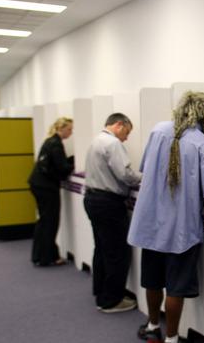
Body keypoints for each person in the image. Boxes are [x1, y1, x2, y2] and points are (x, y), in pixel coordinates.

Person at [128, 91, 204, 343]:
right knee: (176, 287)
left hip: (151, 224)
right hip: (182, 229)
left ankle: (153, 326)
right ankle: (172, 338)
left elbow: (145, 167)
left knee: (153, 280)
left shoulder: (158, 130)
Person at [83, 113, 142, 313]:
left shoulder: (96, 141)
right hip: (108, 203)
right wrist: (148, 176)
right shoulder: (113, 143)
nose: (126, 137)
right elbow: (126, 175)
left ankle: (101, 293)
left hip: (93, 199)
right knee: (116, 252)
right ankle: (111, 300)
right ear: (119, 125)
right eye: (127, 132)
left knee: (101, 249)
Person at [28, 117, 74, 266]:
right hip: (46, 187)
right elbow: (62, 167)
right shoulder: (56, 144)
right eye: (69, 129)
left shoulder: (50, 141)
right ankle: (48, 257)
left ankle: (40, 255)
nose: (71, 132)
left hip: (38, 184)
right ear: (61, 129)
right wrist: (73, 163)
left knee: (44, 220)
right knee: (50, 221)